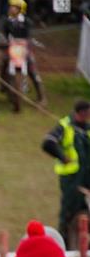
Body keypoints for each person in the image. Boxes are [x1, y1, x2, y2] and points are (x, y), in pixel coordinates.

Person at [41, 100, 90, 248]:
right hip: (72, 179)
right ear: (81, 113)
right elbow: (48, 143)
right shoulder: (64, 126)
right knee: (69, 214)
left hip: (87, 178)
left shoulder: (87, 128)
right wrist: (62, 157)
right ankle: (66, 247)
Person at [0, 0, 44, 103]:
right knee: (3, 62)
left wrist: (31, 42)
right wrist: (1, 41)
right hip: (10, 48)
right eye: (10, 6)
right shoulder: (6, 21)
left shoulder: (27, 22)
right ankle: (2, 84)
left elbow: (30, 35)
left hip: (24, 49)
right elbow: (1, 33)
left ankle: (41, 96)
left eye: (13, 7)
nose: (11, 9)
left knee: (32, 68)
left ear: (20, 9)